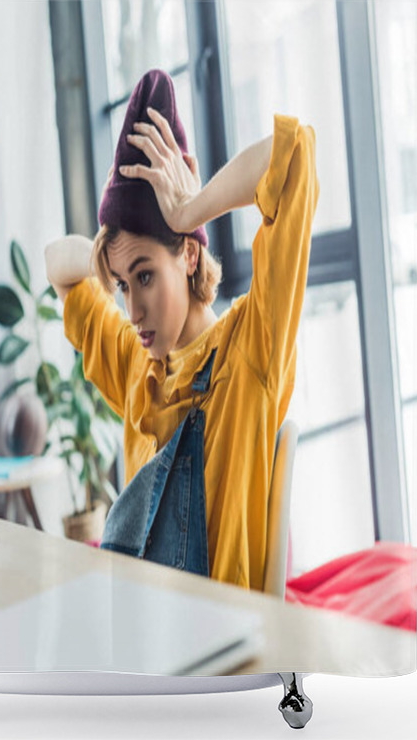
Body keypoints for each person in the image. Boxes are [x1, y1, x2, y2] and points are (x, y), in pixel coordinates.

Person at [44, 69, 319, 591]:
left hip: (220, 653)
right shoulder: (138, 363)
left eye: (145, 276)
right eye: (123, 287)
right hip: (144, 638)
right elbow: (57, 264)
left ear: (189, 254)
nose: (133, 312)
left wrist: (188, 211)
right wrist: (110, 253)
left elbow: (294, 153)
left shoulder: (249, 349)